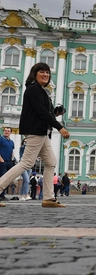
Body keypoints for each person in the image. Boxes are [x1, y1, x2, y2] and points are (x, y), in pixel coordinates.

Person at [0, 63, 70, 208]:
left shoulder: (40, 90)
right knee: (26, 163)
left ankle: (49, 198)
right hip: (35, 131)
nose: (45, 74)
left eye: (47, 72)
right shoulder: (33, 89)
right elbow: (41, 112)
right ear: (34, 73)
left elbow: (44, 111)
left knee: (50, 162)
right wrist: (59, 127)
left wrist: (55, 113)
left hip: (41, 132)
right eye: (42, 72)